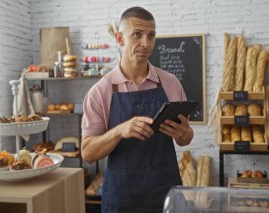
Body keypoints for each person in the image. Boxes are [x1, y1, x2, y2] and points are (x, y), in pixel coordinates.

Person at [81, 6, 194, 213]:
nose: (146, 43)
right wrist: (119, 131)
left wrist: (184, 133)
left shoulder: (171, 83)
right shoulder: (100, 92)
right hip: (122, 199)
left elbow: (185, 139)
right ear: (120, 38)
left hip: (166, 194)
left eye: (151, 36)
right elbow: (88, 152)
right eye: (137, 35)